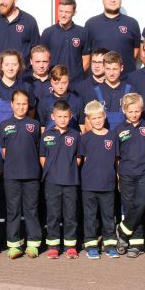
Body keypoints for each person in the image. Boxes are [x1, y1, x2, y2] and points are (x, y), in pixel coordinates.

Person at [112, 93, 145, 257]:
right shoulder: (119, 130)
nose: (134, 114)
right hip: (126, 174)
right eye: (130, 111)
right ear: (124, 111)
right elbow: (117, 158)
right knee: (131, 207)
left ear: (142, 110)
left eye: (137, 111)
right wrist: (118, 177)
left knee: (142, 203)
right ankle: (136, 242)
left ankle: (122, 230)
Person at [0, 89, 42, 258]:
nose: (21, 107)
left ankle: (33, 245)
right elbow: (4, 151)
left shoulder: (35, 125)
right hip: (11, 175)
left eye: (24, 104)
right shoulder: (4, 125)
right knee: (13, 210)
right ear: (11, 105)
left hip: (31, 175)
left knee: (32, 210)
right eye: (18, 103)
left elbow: (39, 149)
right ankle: (14, 245)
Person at [40, 101, 82, 259]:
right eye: (59, 116)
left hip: (70, 181)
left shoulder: (75, 135)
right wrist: (52, 171)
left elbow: (79, 158)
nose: (63, 119)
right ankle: (53, 246)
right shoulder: (47, 135)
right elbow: (42, 157)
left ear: (70, 116)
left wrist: (69, 170)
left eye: (66, 116)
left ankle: (70, 246)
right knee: (53, 214)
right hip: (52, 182)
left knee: (70, 214)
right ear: (53, 117)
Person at [79, 102, 119, 259]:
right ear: (88, 119)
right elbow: (81, 160)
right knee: (90, 216)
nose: (97, 120)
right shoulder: (85, 138)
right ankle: (91, 244)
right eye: (93, 118)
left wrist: (118, 178)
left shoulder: (112, 136)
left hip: (107, 184)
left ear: (105, 116)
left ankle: (109, 244)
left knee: (108, 216)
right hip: (89, 184)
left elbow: (117, 161)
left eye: (100, 117)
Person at [85, 0, 142, 75]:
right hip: (100, 80)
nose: (113, 0)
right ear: (102, 0)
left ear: (121, 0)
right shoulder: (91, 24)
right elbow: (87, 55)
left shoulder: (132, 23)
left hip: (125, 78)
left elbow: (136, 52)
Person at [0, 50, 31, 148]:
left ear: (20, 66)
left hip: (21, 139)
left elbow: (30, 116)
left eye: (14, 64)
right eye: (7, 64)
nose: (10, 68)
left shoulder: (26, 87)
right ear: (1, 66)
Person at [39, 0, 90, 80]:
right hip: (54, 81)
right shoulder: (48, 32)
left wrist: (76, 76)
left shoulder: (83, 32)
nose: (63, 15)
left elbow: (86, 61)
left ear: (74, 13)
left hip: (76, 82)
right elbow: (42, 58)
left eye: (67, 12)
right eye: (61, 11)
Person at [89, 51, 131, 130]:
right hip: (103, 138)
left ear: (121, 68)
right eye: (108, 69)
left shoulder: (130, 90)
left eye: (115, 69)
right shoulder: (95, 92)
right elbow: (88, 121)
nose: (111, 73)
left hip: (126, 138)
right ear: (104, 68)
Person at [35, 66, 84, 131]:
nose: (60, 87)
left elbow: (82, 126)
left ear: (68, 81)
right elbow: (42, 128)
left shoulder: (77, 101)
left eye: (64, 83)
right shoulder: (44, 102)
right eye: (56, 83)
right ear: (51, 82)